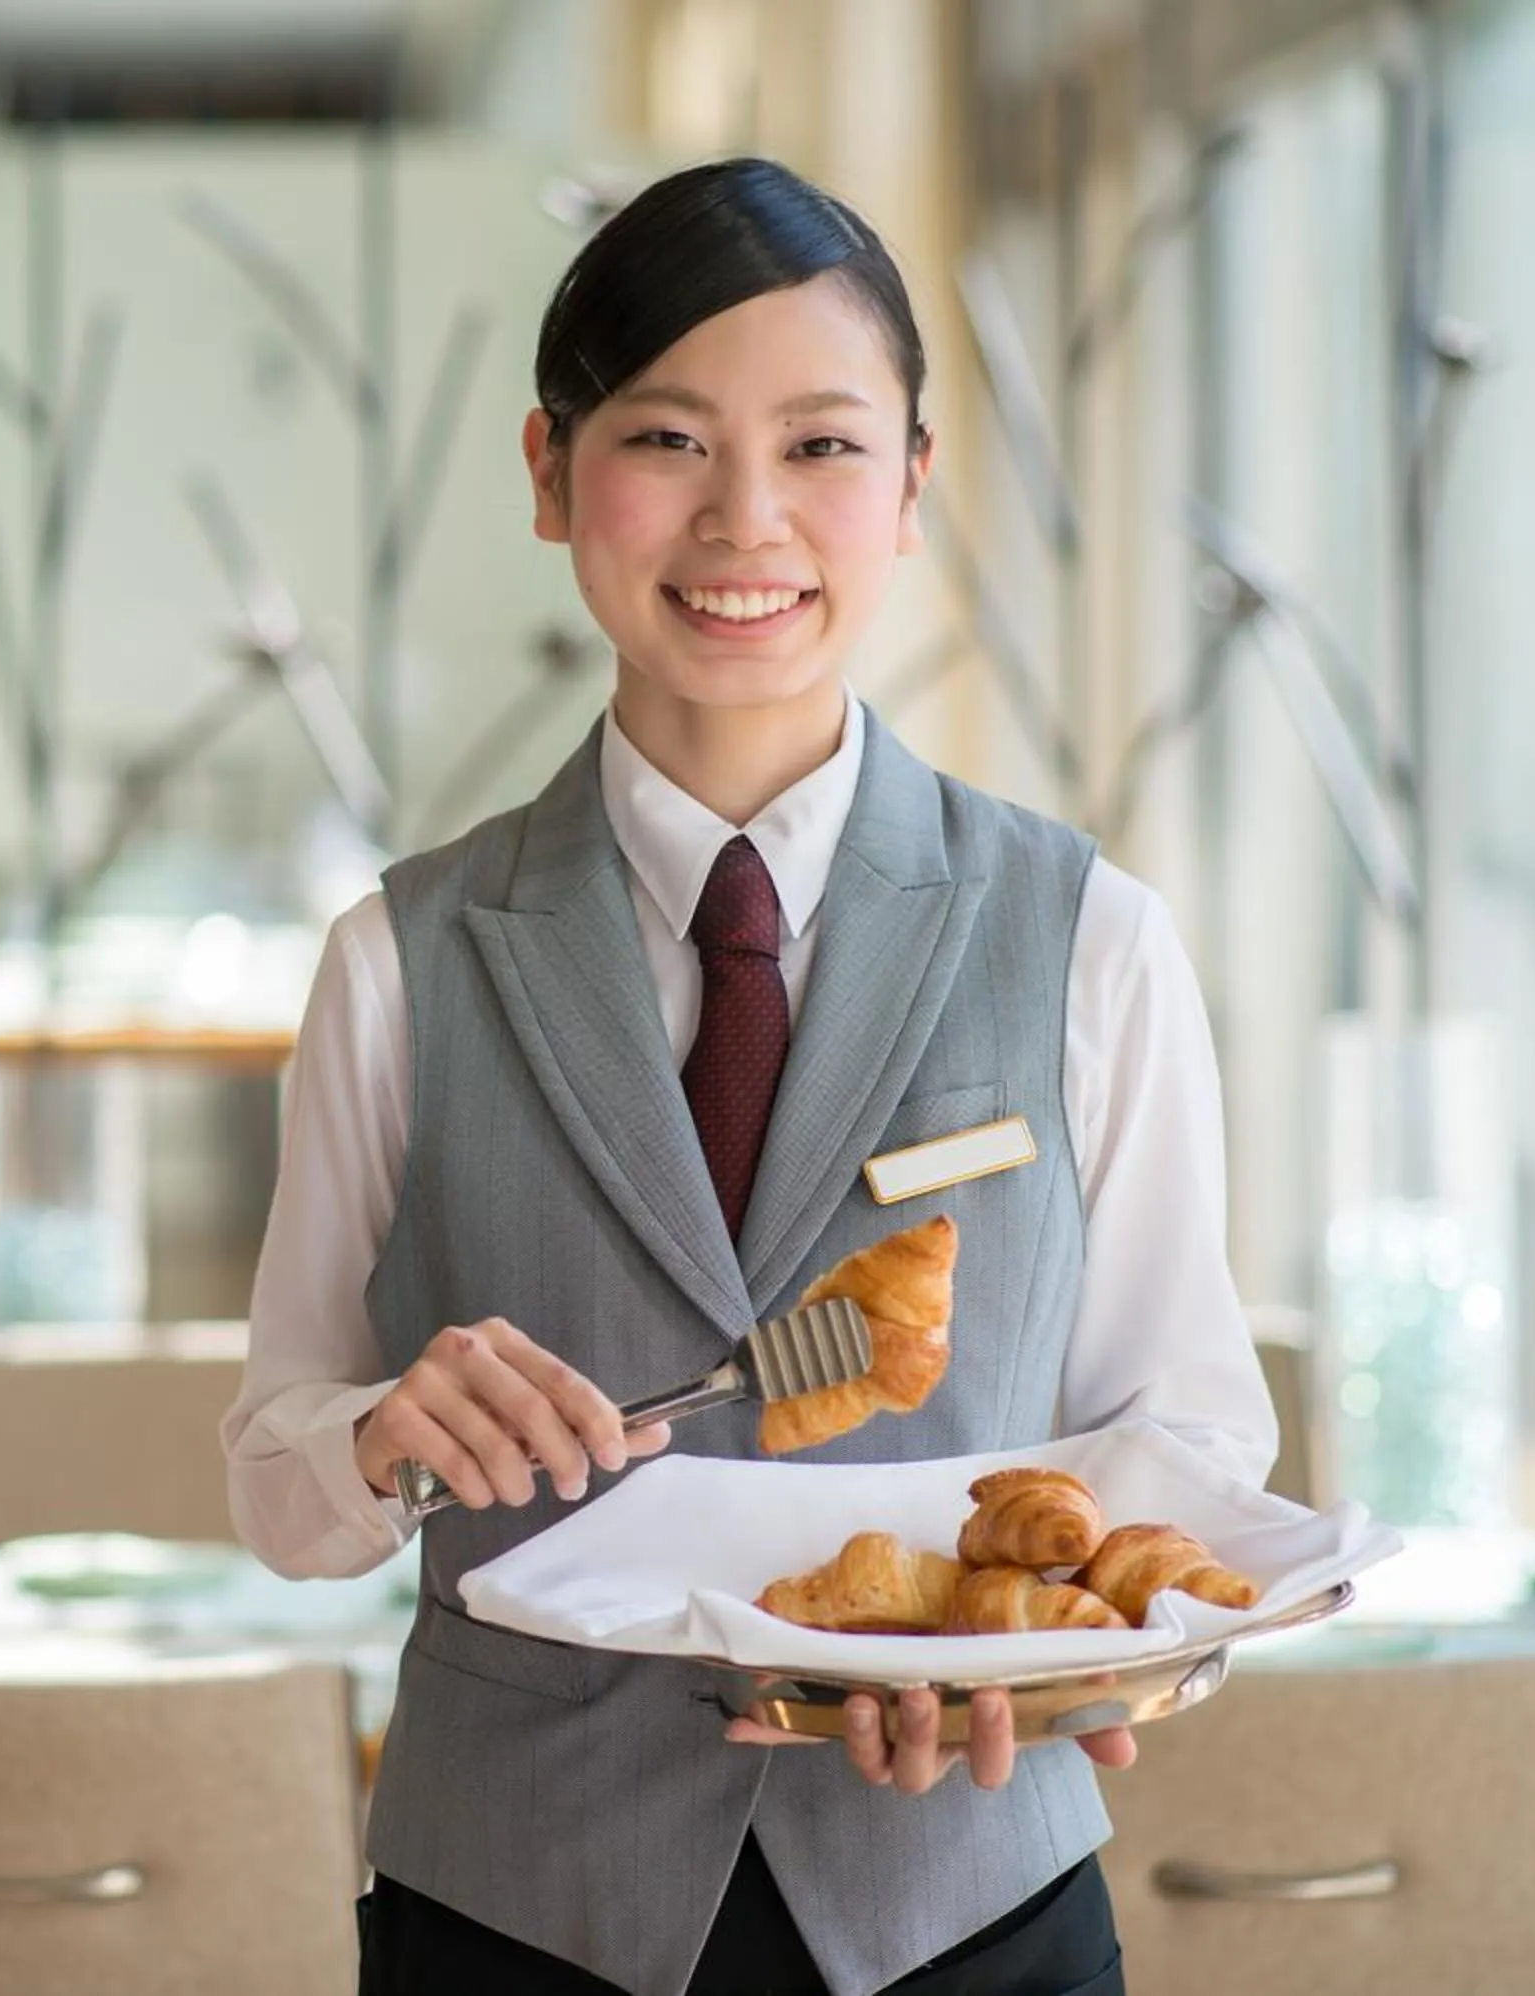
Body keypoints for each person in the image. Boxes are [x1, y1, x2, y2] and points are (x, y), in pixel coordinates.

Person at [221, 156, 1276, 1996]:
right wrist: (382, 1435)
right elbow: (275, 1478)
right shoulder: (401, 958)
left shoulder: (1089, 932)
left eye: (821, 446)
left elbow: (1186, 1431)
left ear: (914, 491)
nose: (745, 522)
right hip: (515, 1908)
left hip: (972, 1906)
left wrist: (1039, 1658)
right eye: (670, 441)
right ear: (551, 477)